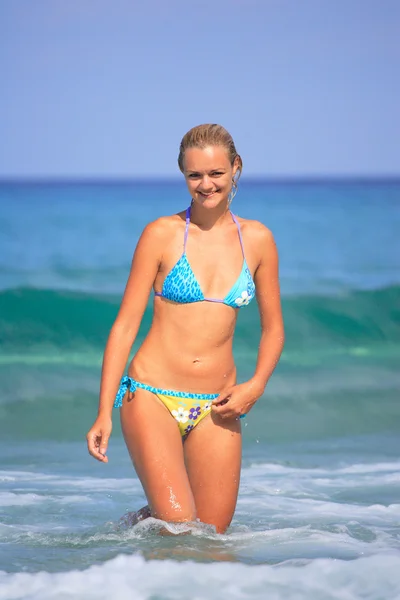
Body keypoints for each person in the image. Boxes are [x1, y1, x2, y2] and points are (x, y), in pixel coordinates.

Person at [86, 124, 285, 534]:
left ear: (236, 168)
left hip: (218, 405)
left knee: (211, 538)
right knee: (180, 526)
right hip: (151, 396)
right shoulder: (161, 234)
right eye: (195, 175)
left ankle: (127, 539)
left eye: (216, 173)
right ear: (183, 175)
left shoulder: (259, 240)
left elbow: (273, 329)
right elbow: (125, 326)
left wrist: (256, 384)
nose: (206, 184)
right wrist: (104, 410)